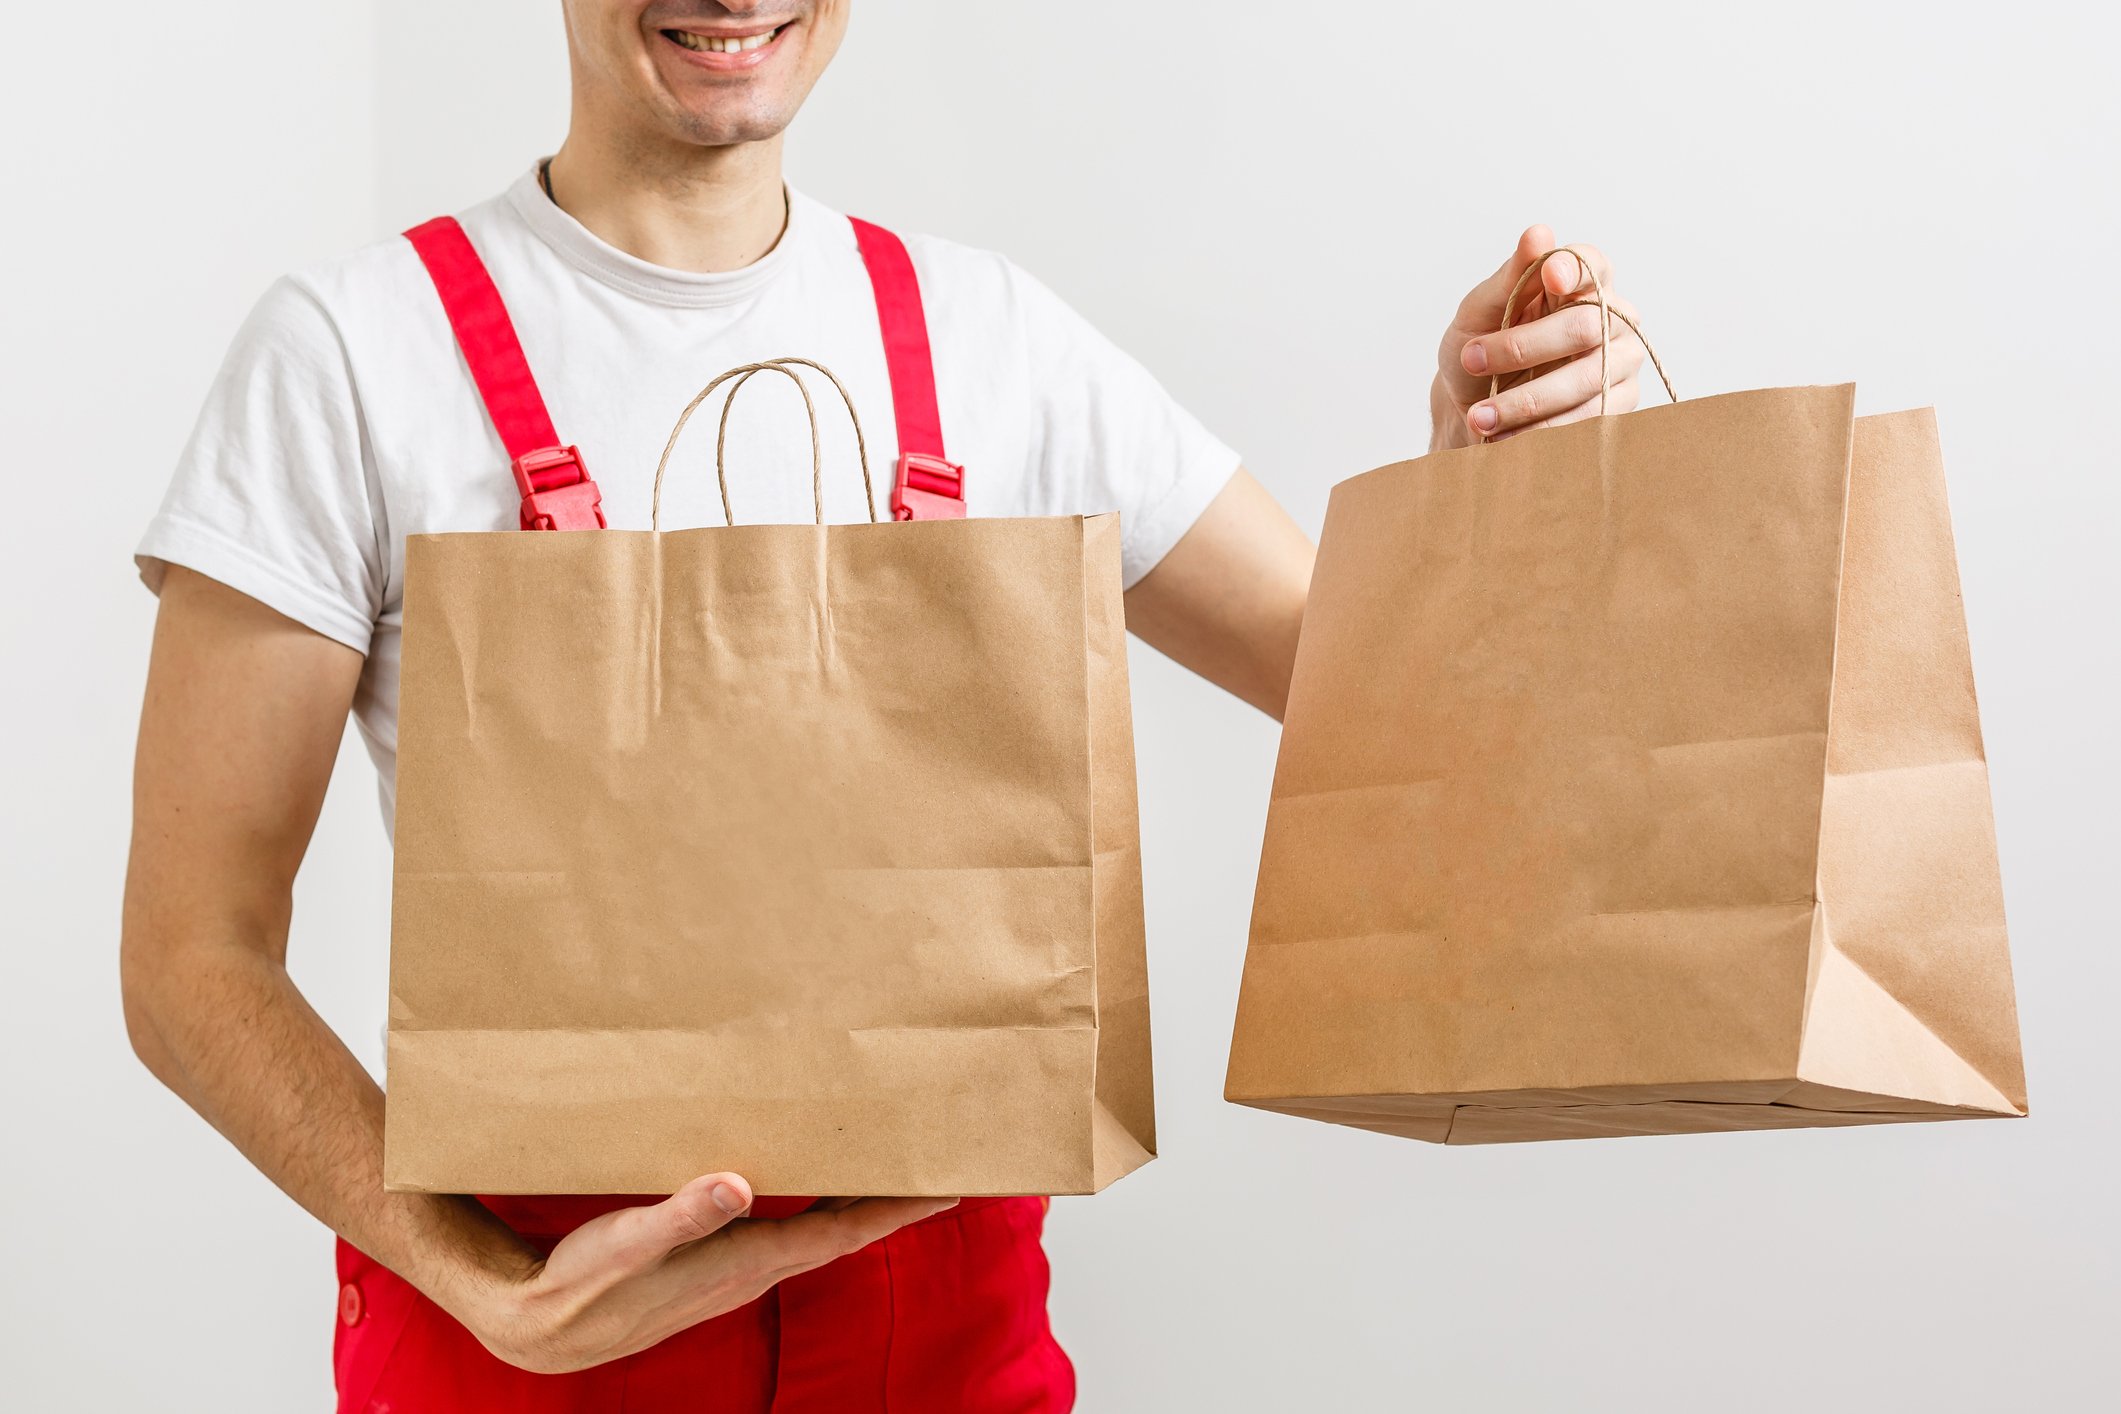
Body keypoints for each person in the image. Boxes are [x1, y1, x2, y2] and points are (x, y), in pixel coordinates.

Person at [119, 2, 1650, 1408]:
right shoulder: (352, 356)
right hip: (532, 1342)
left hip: (947, 1342)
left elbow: (1382, 711)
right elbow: (192, 955)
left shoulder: (1000, 345)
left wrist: (1471, 481)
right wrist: (474, 1278)